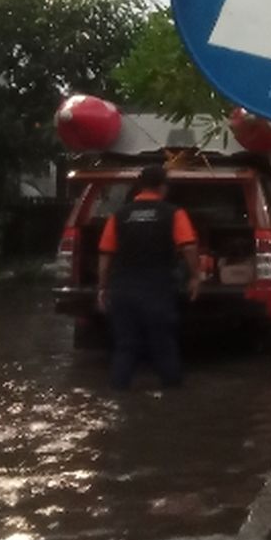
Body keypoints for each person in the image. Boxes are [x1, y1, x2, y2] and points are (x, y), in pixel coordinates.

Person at [97, 165, 202, 389]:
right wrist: (195, 276)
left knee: (125, 347)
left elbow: (105, 256)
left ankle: (119, 396)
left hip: (123, 290)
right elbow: (189, 248)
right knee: (163, 346)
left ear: (140, 185)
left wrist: (102, 288)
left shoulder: (118, 216)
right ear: (163, 187)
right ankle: (171, 404)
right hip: (158, 290)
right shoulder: (174, 214)